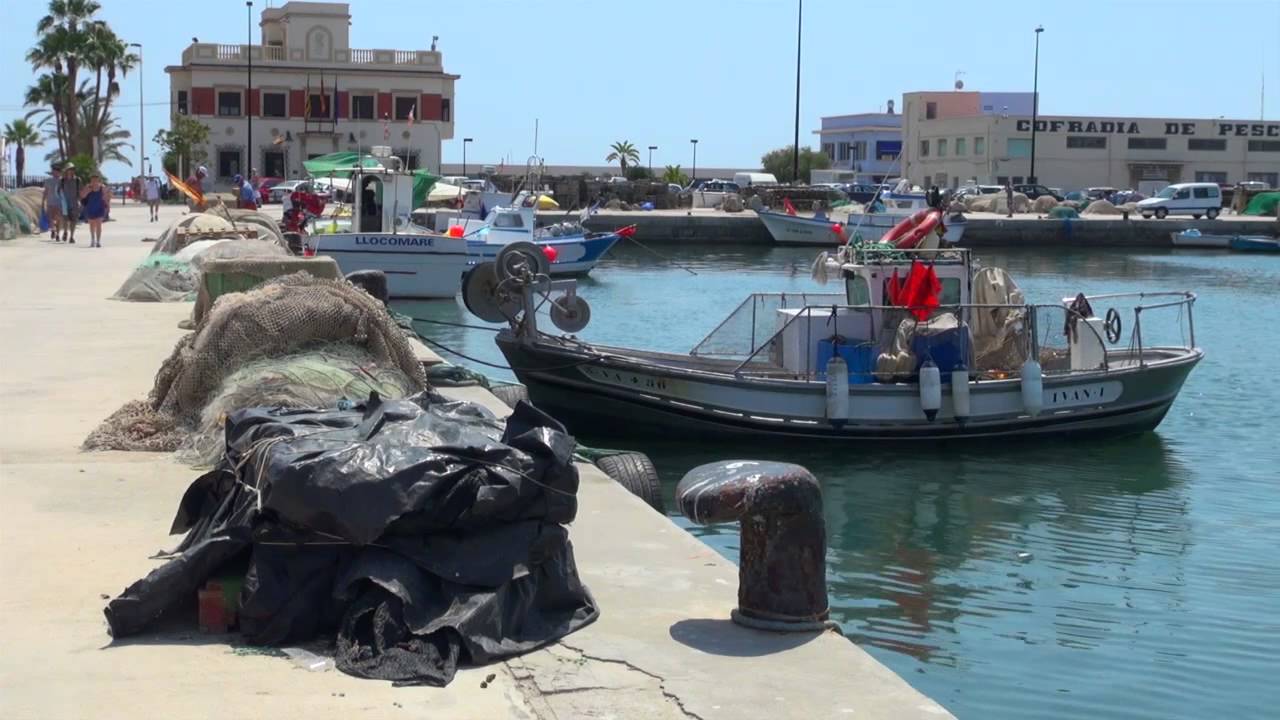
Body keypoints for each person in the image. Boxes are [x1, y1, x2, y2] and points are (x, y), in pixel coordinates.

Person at [80, 173, 109, 247]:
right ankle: (93, 239)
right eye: (93, 179)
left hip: (100, 208)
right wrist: (88, 191)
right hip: (90, 208)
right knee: (92, 225)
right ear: (91, 180)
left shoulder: (102, 187)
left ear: (98, 180)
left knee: (99, 225)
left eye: (96, 179)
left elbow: (106, 197)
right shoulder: (88, 187)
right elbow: (82, 196)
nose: (94, 181)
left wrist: (107, 207)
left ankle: (98, 241)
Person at [60, 164, 81, 244]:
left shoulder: (77, 180)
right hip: (65, 203)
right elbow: (59, 191)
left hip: (74, 203)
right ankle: (65, 232)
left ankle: (72, 236)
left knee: (73, 221)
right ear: (66, 170)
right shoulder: (62, 180)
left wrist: (79, 201)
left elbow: (79, 191)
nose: (71, 170)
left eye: (72, 169)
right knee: (65, 219)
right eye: (69, 169)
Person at [42, 162, 63, 241]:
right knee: (50, 217)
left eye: (56, 171)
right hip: (50, 202)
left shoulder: (62, 181)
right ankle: (53, 230)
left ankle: (57, 233)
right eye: (54, 171)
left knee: (58, 219)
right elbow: (46, 191)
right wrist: (43, 200)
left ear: (59, 172)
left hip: (59, 202)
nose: (55, 173)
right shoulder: (48, 180)